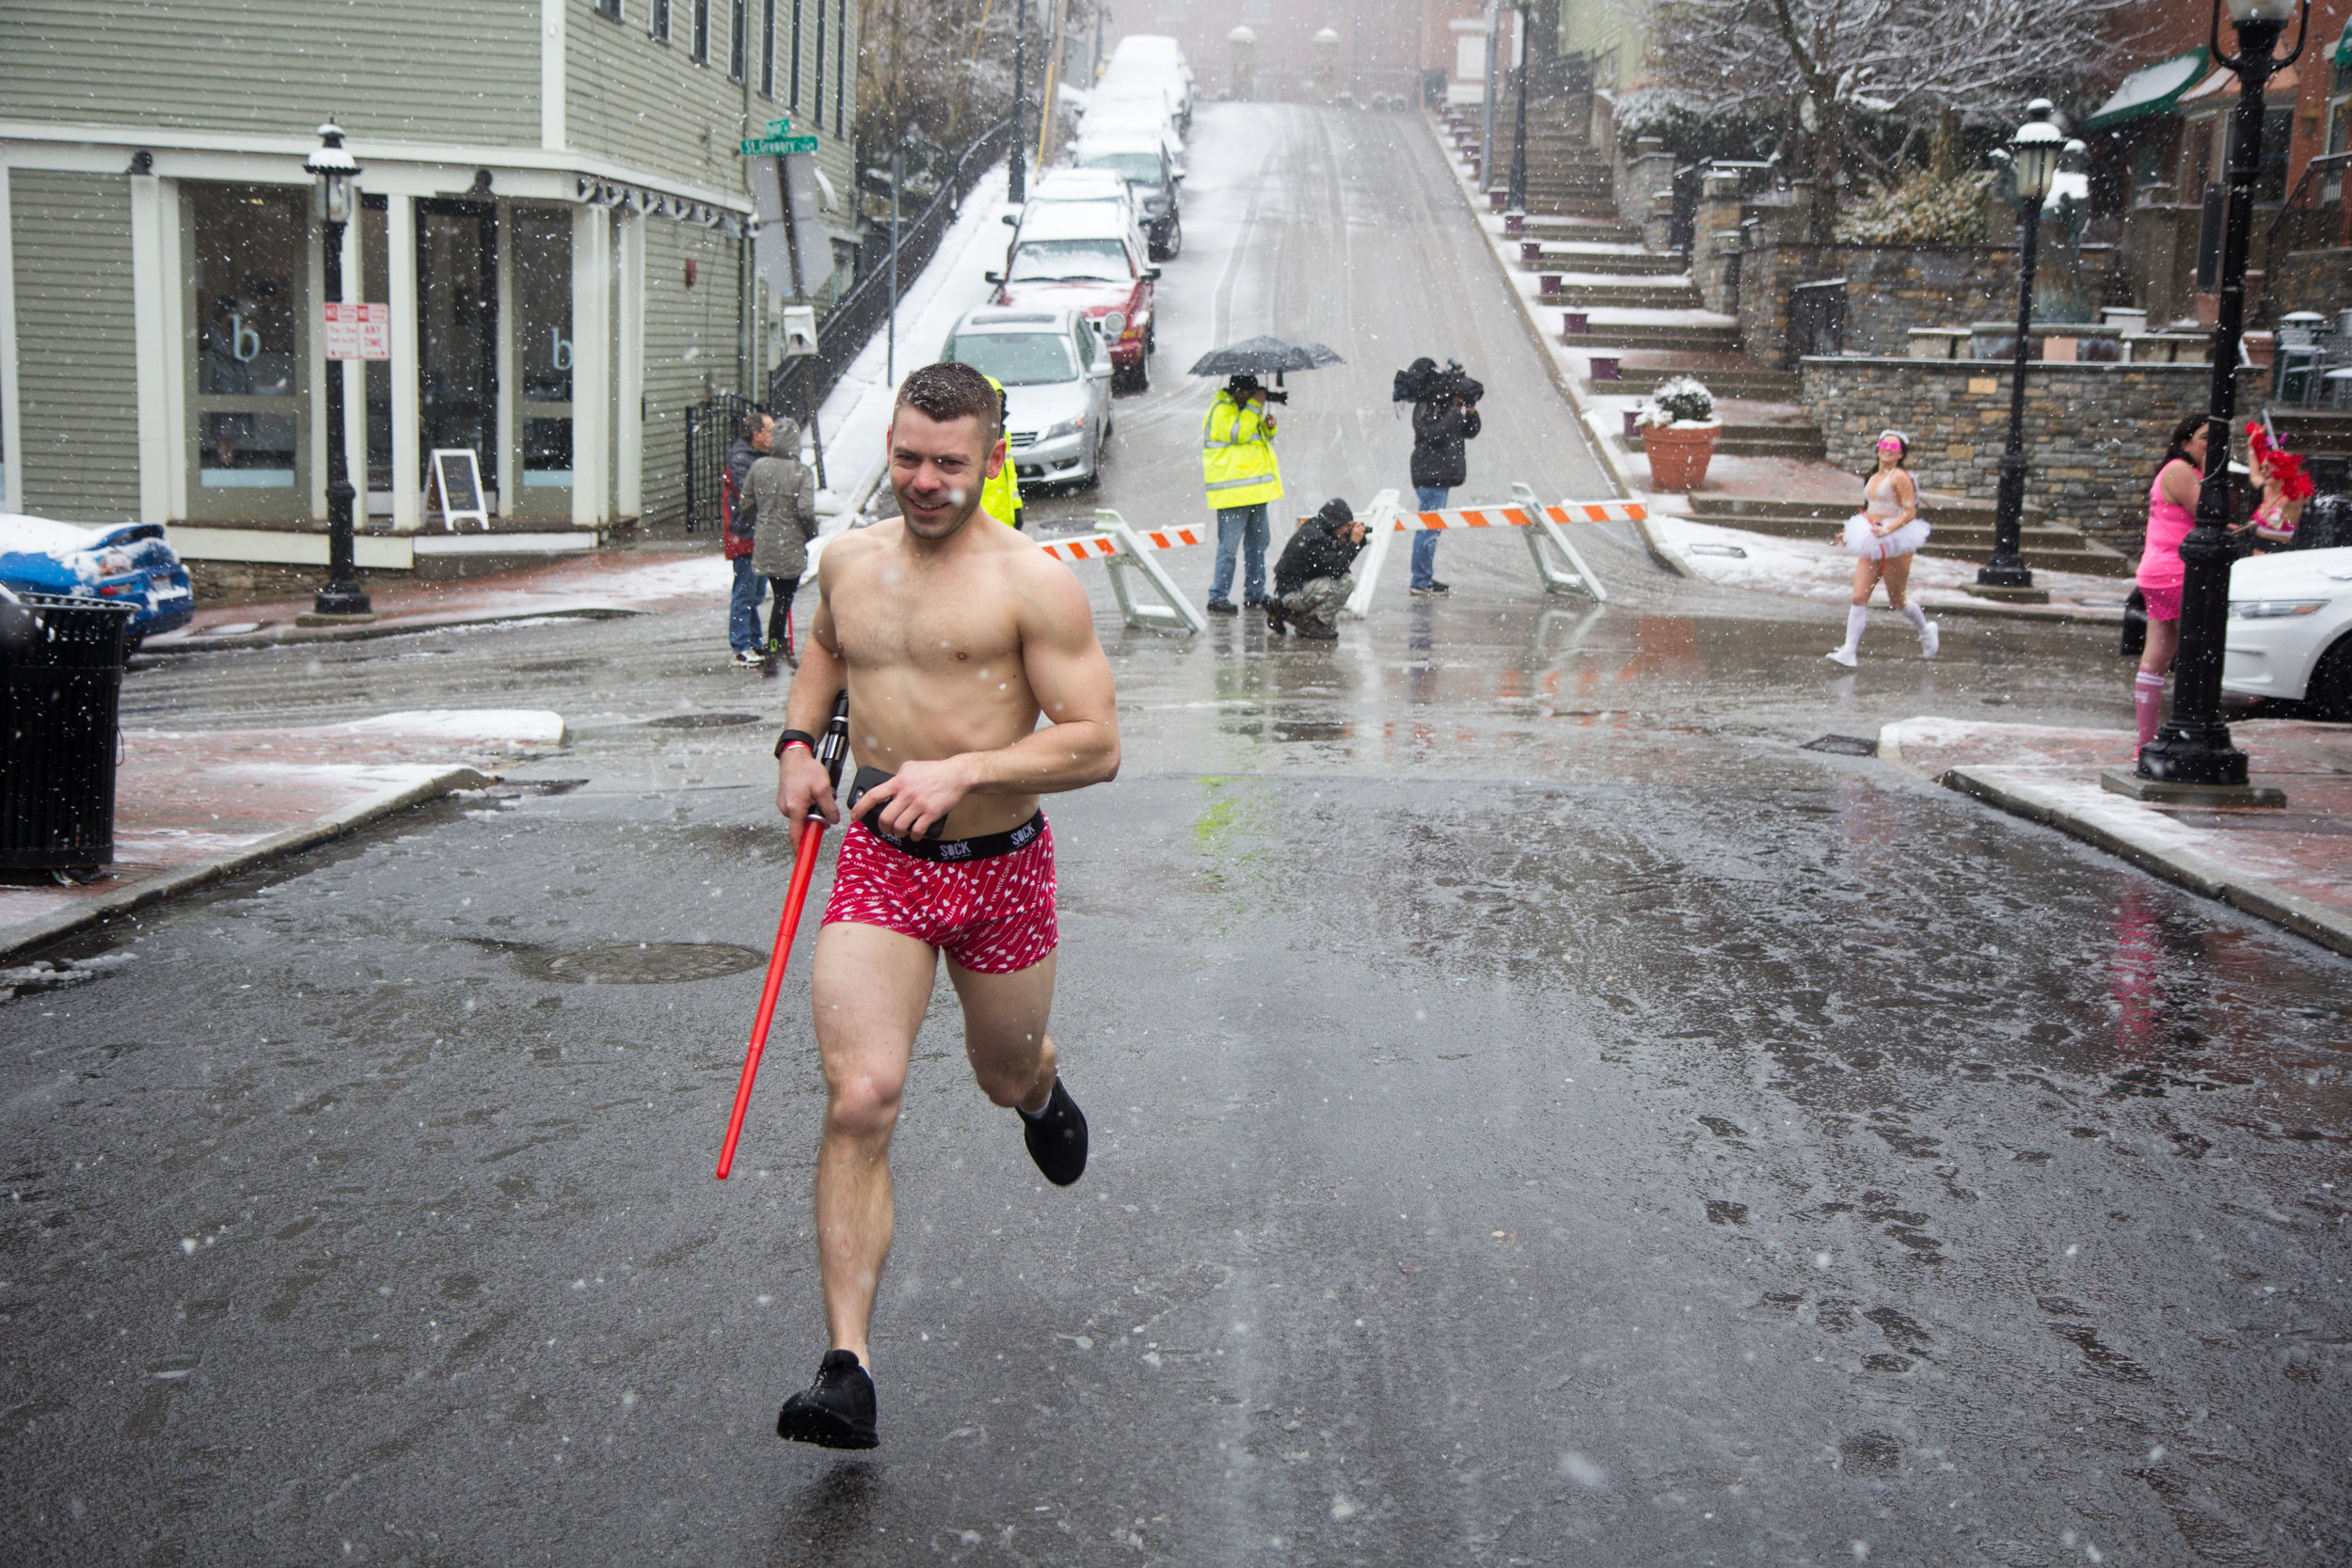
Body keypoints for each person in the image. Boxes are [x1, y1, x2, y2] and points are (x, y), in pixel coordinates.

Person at [769, 360, 1121, 1449]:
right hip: (881, 858)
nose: (923, 480)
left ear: (992, 459)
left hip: (1001, 860)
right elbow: (826, 651)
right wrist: (795, 744)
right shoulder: (847, 560)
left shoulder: (1031, 582)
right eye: (907, 457)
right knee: (862, 1093)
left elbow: (1097, 743)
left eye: (948, 463)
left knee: (997, 1068)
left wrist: (964, 768)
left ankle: (1038, 1088)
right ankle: (845, 1367)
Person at [1825, 429, 1938, 667]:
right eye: (1884, 445)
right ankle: (1849, 651)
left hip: (1896, 540)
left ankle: (1926, 629)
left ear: (1901, 454)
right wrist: (1851, 532)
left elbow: (1909, 512)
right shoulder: (1874, 476)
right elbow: (1871, 507)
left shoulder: (1900, 477)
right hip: (1871, 536)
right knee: (1858, 596)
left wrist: (1888, 530)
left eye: (1894, 447)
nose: (1888, 449)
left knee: (1897, 600)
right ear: (1877, 448)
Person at [2134, 414, 2208, 750]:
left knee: (2157, 657)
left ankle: (2144, 742)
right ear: (2185, 442)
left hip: (2157, 570)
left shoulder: (2178, 471)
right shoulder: (2181, 470)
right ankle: (2192, 732)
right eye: (2205, 437)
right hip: (2177, 572)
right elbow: (2208, 513)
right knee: (2197, 650)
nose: (2212, 444)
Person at [1200, 374, 1282, 614]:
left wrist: (1268, 427)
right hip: (1233, 493)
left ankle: (1255, 593)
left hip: (1255, 491)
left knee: (1258, 544)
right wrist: (1255, 405)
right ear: (1239, 391)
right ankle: (1218, 596)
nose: (1252, 397)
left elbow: (1257, 440)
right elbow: (1238, 434)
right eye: (1250, 393)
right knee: (1229, 548)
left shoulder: (1245, 409)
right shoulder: (1221, 409)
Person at [1404, 357, 1482, 596]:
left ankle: (1423, 578)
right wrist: (1454, 410)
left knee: (1432, 528)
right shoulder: (1426, 405)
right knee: (1428, 528)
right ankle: (1420, 581)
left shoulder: (1446, 407)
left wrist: (1469, 410)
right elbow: (1433, 434)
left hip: (1440, 475)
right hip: (1429, 474)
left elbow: (1470, 431)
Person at [746, 416, 820, 663]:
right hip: (789, 544)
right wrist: (810, 533)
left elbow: (746, 504)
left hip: (766, 541)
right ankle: (775, 651)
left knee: (780, 599)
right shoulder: (801, 472)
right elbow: (806, 511)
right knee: (783, 602)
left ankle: (780, 648)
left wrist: (763, 518)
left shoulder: (759, 467)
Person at [1267, 498, 1369, 641]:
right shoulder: (1317, 538)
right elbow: (1336, 569)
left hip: (1291, 588)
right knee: (1347, 582)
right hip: (1293, 593)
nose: (1348, 529)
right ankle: (1312, 623)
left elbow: (1337, 561)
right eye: (1347, 526)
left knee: (1332, 624)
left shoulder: (1319, 529)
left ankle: (1285, 611)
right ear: (1336, 523)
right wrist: (1352, 543)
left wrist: (1355, 543)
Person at [725, 411, 775, 667]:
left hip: (757, 534)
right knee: (745, 592)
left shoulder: (759, 457)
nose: (773, 436)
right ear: (757, 435)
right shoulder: (741, 459)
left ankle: (754, 641)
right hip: (745, 534)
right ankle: (741, 646)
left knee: (755, 593)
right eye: (770, 431)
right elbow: (753, 494)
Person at [2245, 420, 2312, 554]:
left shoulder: (2293, 498)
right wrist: (2252, 446)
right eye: (2262, 468)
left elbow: (2302, 491)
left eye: (2268, 468)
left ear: (2282, 470)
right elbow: (2254, 475)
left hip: (2278, 559)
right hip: (2257, 554)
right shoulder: (2268, 490)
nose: (2263, 471)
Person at [978, 374, 1025, 531]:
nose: (998, 400)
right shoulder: (972, 434)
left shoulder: (1004, 432)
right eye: (994, 396)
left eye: (1001, 396)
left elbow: (1010, 475)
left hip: (1005, 518)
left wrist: (1016, 507)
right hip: (982, 521)